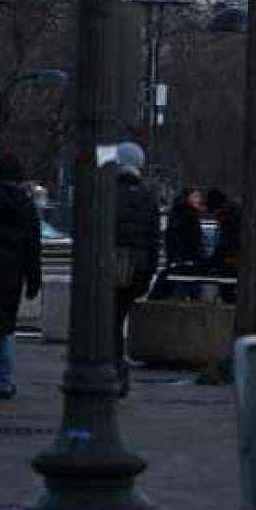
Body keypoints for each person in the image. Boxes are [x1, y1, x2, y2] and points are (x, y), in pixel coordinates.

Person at [0, 155, 42, 401]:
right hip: (12, 276)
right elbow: (33, 246)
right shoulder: (25, 205)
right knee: (6, 329)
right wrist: (34, 280)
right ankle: (6, 381)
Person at [113, 143, 162, 396]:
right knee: (120, 317)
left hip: (109, 267)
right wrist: (149, 272)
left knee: (107, 322)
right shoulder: (147, 196)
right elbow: (154, 238)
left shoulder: (107, 193)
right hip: (137, 270)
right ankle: (119, 372)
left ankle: (113, 370)